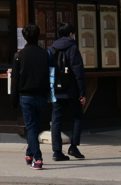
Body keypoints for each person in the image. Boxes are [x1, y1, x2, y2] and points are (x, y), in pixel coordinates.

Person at [11, 23, 50, 170]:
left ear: (24, 37)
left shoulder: (19, 56)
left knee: (32, 127)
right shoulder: (45, 54)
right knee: (35, 126)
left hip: (25, 95)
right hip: (41, 95)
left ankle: (37, 158)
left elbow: (15, 81)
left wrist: (13, 99)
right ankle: (29, 154)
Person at [49, 22, 88, 161]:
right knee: (77, 116)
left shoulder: (52, 49)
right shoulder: (73, 48)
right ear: (71, 34)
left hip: (56, 91)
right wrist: (82, 92)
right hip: (71, 91)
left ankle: (57, 151)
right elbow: (78, 71)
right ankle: (73, 146)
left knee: (56, 120)